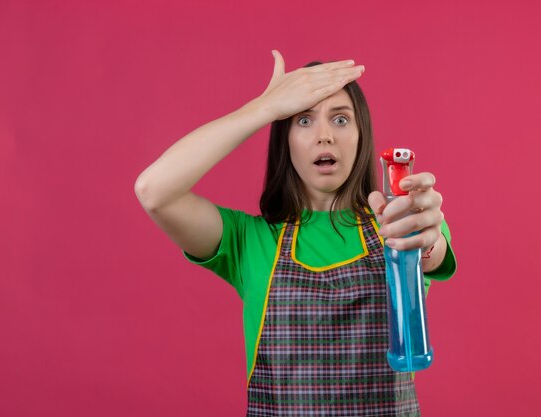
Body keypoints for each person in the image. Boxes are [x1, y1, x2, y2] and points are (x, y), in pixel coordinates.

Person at [135, 50, 457, 416]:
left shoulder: (398, 222)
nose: (324, 136)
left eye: (340, 119)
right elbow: (153, 189)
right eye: (303, 120)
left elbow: (428, 247)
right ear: (284, 139)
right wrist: (264, 107)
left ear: (360, 134)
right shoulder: (249, 242)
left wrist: (424, 240)